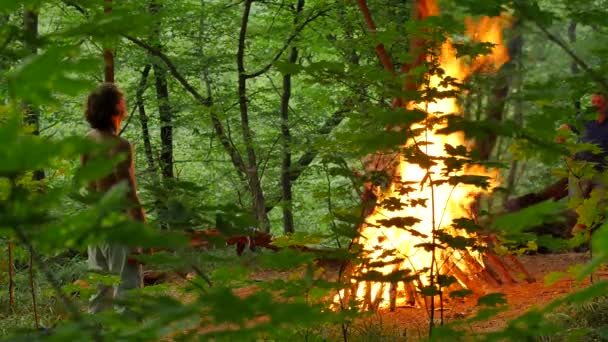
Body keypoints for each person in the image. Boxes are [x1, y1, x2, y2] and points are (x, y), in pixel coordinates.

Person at [81, 83, 145, 313]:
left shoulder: (88, 140)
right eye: (121, 100)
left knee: (101, 294)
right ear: (116, 106)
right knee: (127, 293)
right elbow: (128, 195)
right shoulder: (119, 146)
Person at [557, 92, 608, 234]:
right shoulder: (584, 119)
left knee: (600, 205)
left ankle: (581, 230)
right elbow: (565, 128)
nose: (596, 105)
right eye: (594, 102)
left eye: (600, 102)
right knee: (576, 205)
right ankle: (581, 239)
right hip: (580, 168)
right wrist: (563, 145)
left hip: (602, 171)